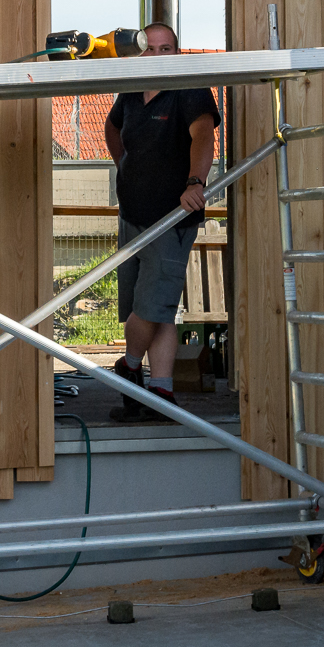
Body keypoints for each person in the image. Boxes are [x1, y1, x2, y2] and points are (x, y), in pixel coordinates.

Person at [101, 22, 218, 421]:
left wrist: (195, 182)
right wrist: (124, 165)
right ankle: (160, 392)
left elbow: (203, 135)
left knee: (150, 308)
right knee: (157, 309)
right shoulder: (132, 91)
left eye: (165, 48)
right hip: (133, 214)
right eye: (148, 49)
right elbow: (112, 127)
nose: (156, 55)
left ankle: (129, 366)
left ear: (177, 53)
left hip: (172, 218)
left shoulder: (189, 88)